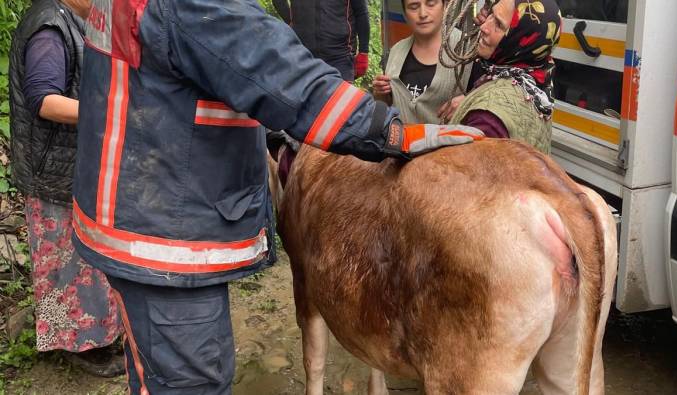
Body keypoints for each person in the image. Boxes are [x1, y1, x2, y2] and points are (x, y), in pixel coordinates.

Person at [72, 0, 482, 393]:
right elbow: (288, 80)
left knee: (167, 373)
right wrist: (393, 133)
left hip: (144, 210)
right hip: (161, 233)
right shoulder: (197, 5)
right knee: (189, 382)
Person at [8, 0, 123, 377]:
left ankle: (99, 337)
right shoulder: (49, 25)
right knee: (67, 266)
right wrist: (112, 110)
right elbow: (45, 100)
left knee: (88, 262)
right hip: (53, 173)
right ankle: (81, 348)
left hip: (74, 166)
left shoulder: (76, 21)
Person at [450, 0, 561, 154]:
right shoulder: (537, 79)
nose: (483, 27)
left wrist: (473, 108)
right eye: (491, 15)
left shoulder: (488, 120)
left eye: (499, 25)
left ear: (520, 40)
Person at [372, 0, 470, 124]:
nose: (423, 13)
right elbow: (388, 107)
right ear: (405, 14)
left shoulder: (466, 49)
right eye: (413, 7)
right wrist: (381, 94)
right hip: (403, 141)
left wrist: (469, 100)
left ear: (445, 6)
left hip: (453, 142)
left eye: (431, 4)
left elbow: (490, 95)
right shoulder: (396, 52)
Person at [272, 0, 370, 81]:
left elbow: (361, 12)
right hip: (304, 56)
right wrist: (291, 21)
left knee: (338, 102)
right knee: (308, 103)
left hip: (340, 56)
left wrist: (363, 52)